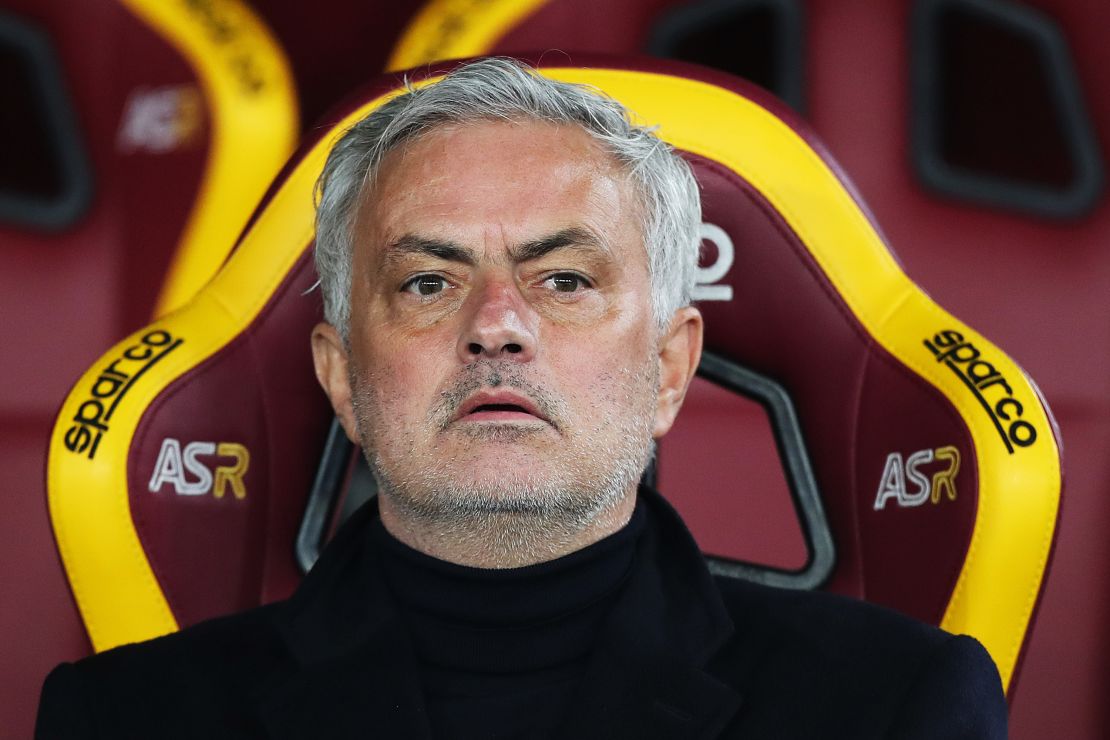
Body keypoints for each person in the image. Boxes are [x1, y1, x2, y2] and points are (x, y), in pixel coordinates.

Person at [36, 57, 1007, 739]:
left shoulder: (899, 705)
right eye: (427, 281)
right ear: (340, 375)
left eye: (564, 280)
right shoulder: (121, 717)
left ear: (670, 370)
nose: (496, 323)